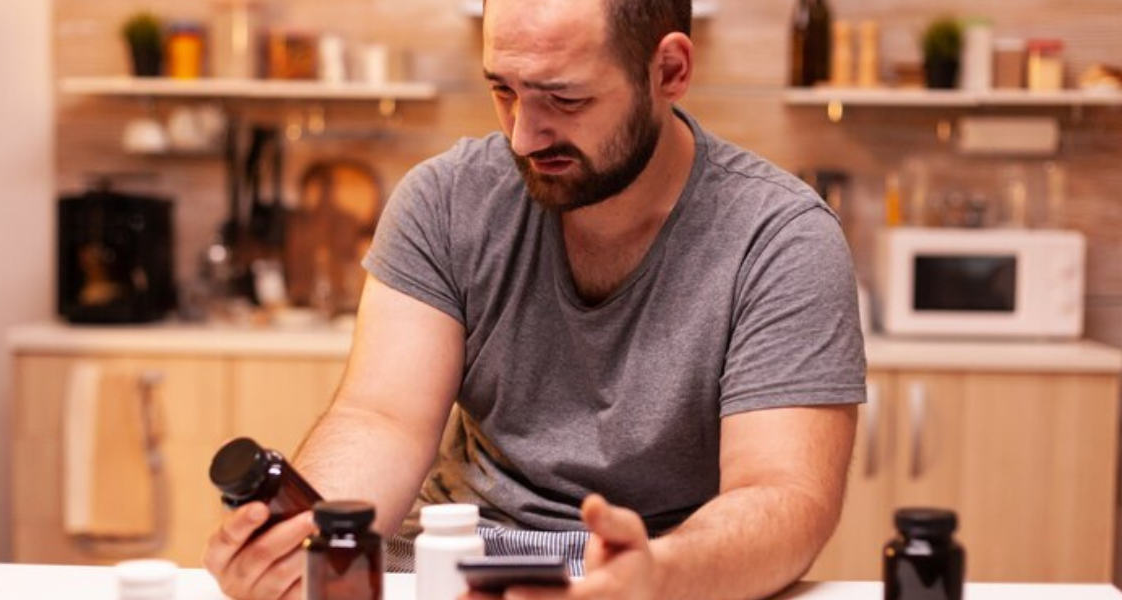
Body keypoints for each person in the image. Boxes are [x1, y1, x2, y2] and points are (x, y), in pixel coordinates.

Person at [202, 0, 866, 598]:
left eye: (565, 100)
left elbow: (782, 495)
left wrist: (655, 576)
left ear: (668, 70)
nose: (523, 134)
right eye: (503, 91)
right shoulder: (445, 201)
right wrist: (309, 542)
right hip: (447, 562)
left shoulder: (781, 238)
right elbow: (381, 418)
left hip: (665, 578)